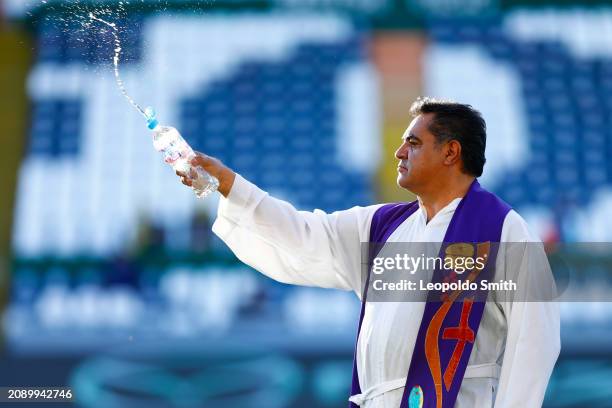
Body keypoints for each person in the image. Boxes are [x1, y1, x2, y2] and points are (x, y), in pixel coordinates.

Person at [178, 97, 560, 407]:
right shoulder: (381, 227)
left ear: (451, 152)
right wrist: (230, 186)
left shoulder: (503, 230)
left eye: (413, 142)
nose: (398, 152)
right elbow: (303, 235)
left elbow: (535, 340)